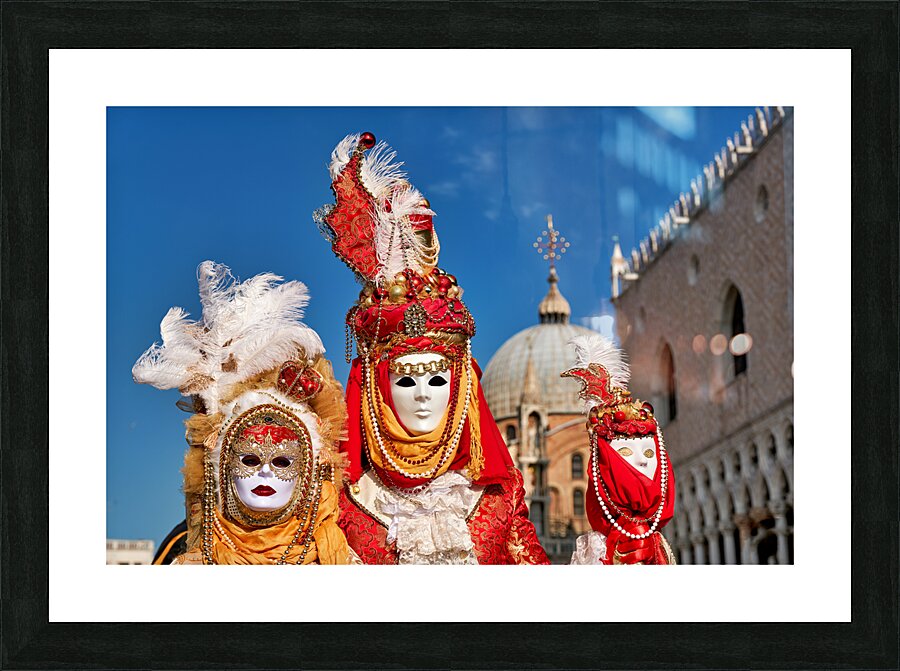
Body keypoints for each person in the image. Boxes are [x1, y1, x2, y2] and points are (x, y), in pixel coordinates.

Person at [313, 132, 549, 564]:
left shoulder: (497, 500)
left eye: (438, 378)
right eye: (405, 378)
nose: (423, 394)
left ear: (461, 387)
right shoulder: (342, 506)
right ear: (375, 388)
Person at [133, 261, 356, 565]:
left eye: (282, 461)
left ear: (309, 471)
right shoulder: (186, 563)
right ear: (221, 466)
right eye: (250, 459)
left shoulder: (340, 559)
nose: (265, 473)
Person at [561, 334, 677, 565]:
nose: (642, 463)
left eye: (648, 453)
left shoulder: (657, 541)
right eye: (624, 453)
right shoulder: (596, 550)